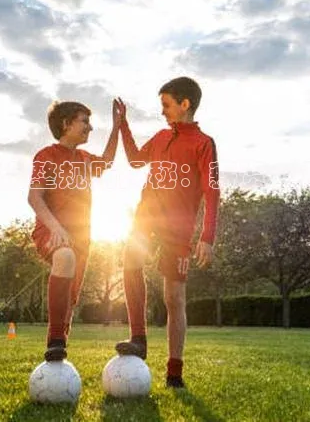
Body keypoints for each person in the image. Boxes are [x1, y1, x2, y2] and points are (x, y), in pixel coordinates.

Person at [114, 76, 220, 388]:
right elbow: (136, 160)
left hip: (179, 228)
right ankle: (138, 338)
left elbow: (212, 191)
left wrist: (207, 237)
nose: (162, 111)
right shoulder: (161, 137)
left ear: (185, 104)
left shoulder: (204, 143)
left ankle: (174, 372)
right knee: (130, 258)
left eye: (166, 105)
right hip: (147, 216)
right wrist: (123, 125)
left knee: (174, 298)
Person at [28, 99, 121, 362]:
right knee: (65, 256)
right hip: (51, 231)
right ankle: (55, 340)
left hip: (82, 238)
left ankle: (58, 353)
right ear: (66, 124)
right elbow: (34, 197)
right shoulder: (46, 156)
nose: (90, 128)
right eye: (85, 122)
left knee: (70, 298)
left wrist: (116, 127)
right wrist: (56, 228)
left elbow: (107, 161)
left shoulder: (84, 159)